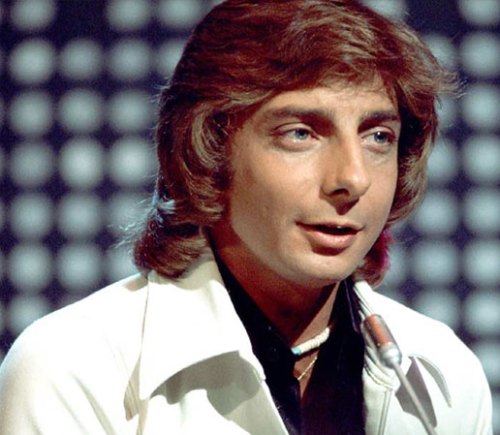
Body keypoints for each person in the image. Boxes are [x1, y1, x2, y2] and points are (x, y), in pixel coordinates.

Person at [0, 0, 493, 434]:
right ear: (208, 148)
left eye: (378, 137)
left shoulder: (445, 375)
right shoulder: (74, 367)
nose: (353, 177)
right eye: (300, 133)